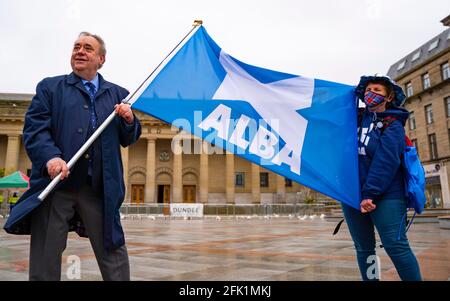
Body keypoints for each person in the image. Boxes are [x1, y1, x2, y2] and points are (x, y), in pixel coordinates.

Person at [23, 32, 141, 280]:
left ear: (101, 59)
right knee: (45, 256)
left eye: (88, 48)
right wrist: (51, 158)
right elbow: (35, 130)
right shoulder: (51, 88)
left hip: (99, 189)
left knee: (114, 256)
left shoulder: (118, 94)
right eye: (76, 47)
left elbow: (128, 137)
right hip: (57, 186)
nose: (80, 51)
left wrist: (130, 120)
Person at [341, 75, 422, 281]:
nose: (372, 93)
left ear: (388, 96)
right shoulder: (354, 120)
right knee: (363, 249)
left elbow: (386, 162)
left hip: (387, 196)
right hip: (352, 195)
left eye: (378, 90)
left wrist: (370, 194)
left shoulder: (393, 124)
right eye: (369, 89)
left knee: (396, 247)